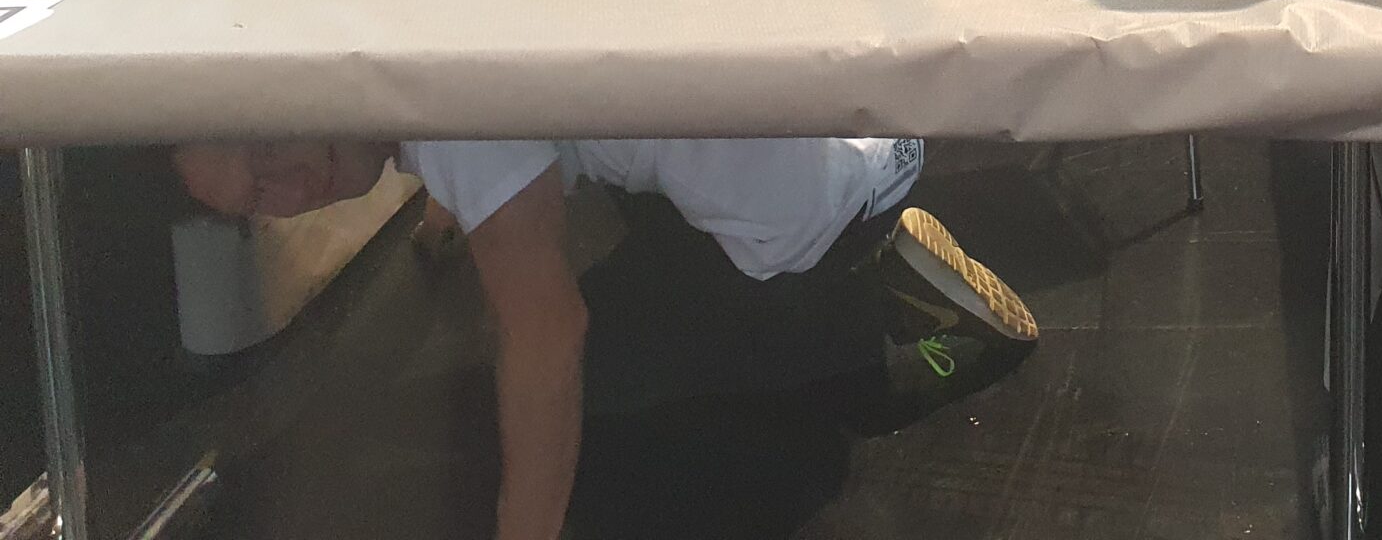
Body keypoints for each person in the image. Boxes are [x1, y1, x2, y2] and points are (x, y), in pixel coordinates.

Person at [175, 136, 1036, 540]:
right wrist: (447, 218)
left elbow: (548, 336)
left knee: (590, 425)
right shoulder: (409, 66)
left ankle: (870, 338)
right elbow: (502, 163)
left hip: (818, 214)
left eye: (262, 144)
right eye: (257, 198)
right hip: (859, 131)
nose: (291, 181)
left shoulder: (453, 122)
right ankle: (840, 294)